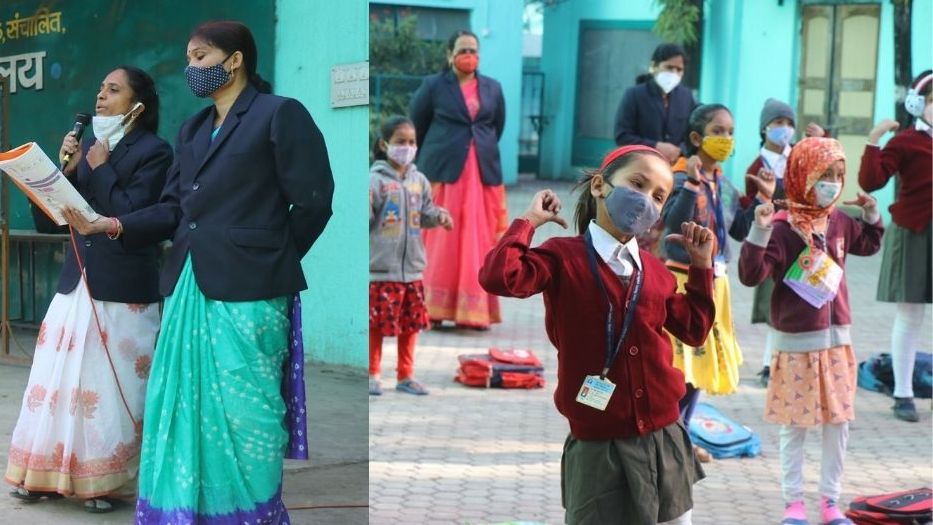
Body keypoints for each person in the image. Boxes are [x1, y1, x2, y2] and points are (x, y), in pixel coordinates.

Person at [63, 21, 334, 523]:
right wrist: (111, 222)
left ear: (235, 61)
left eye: (202, 57)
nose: (193, 68)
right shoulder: (192, 128)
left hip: (254, 288)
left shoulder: (279, 115)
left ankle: (249, 512)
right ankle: (186, 511)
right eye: (189, 58)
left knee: (246, 411)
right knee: (180, 405)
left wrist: (270, 257)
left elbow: (315, 201)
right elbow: (174, 209)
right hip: (189, 281)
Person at [479, 144, 716, 525]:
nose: (645, 201)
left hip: (664, 438)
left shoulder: (656, 273)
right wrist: (528, 222)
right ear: (599, 187)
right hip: (597, 445)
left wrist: (702, 268)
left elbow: (694, 330)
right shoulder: (562, 257)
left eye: (659, 196)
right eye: (637, 184)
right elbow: (498, 277)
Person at [3, 66, 171, 514]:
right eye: (100, 88)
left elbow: (133, 218)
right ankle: (42, 474)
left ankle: (106, 483)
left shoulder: (154, 152)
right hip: (74, 286)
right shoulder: (90, 151)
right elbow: (50, 222)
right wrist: (60, 172)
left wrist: (97, 170)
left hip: (121, 291)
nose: (100, 97)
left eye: (113, 90)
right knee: (54, 382)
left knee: (106, 390)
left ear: (138, 106)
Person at [739, 137, 883, 525]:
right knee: (795, 426)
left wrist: (872, 215)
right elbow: (752, 275)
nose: (833, 184)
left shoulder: (839, 220)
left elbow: (869, 244)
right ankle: (794, 505)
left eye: (839, 175)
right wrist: (759, 231)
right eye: (824, 175)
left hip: (839, 343)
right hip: (797, 345)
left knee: (839, 424)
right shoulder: (784, 228)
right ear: (803, 176)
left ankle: (830, 503)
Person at [660, 104, 760, 460]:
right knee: (680, 365)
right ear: (696, 138)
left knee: (701, 366)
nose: (726, 139)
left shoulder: (724, 183)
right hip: (682, 279)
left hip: (716, 281)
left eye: (730, 132)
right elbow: (673, 224)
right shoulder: (677, 177)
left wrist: (762, 201)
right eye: (718, 131)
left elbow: (737, 229)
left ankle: (681, 437)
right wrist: (689, 184)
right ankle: (672, 437)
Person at [409, 29, 508, 330]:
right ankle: (433, 309)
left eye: (474, 50)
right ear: (449, 54)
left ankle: (472, 312)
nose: (469, 56)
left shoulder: (492, 87)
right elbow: (417, 125)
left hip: (481, 176)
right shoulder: (433, 86)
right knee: (440, 236)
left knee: (479, 238)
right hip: (442, 173)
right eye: (463, 50)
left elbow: (496, 126)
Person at [858, 69, 933, 422]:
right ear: (918, 104)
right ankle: (903, 394)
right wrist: (874, 140)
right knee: (910, 313)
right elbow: (871, 181)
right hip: (914, 233)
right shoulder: (904, 142)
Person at [744, 99, 826, 386]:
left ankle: (782, 360)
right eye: (779, 123)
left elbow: (820, 174)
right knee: (773, 302)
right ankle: (769, 364)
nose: (785, 129)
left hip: (801, 240)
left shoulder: (799, 157)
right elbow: (750, 205)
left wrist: (820, 142)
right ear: (764, 128)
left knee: (799, 299)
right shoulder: (758, 165)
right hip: (774, 240)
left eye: (790, 123)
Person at [369, 116, 453, 396]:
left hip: (413, 269)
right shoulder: (374, 181)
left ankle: (406, 376)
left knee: (410, 326)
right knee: (376, 326)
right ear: (384, 145)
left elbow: (426, 213)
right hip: (382, 270)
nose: (407, 147)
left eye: (412, 142)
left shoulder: (420, 181)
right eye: (400, 142)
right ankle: (372, 374)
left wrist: (439, 216)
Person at [614, 43, 698, 164]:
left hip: (675, 168)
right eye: (669, 67)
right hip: (641, 166)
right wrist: (656, 146)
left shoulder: (686, 96)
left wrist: (680, 150)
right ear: (654, 66)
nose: (674, 73)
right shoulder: (634, 95)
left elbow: (693, 134)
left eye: (679, 69)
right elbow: (622, 136)